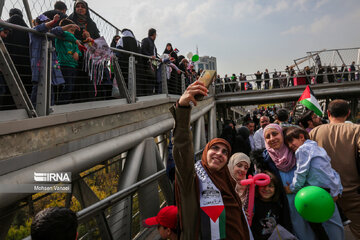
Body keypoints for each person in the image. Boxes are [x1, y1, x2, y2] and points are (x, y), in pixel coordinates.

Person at [170, 81, 250, 239]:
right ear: (205, 153)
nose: (219, 153)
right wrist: (183, 109)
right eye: (214, 148)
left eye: (225, 152)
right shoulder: (192, 180)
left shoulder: (228, 182)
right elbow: (182, 149)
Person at [310, 99, 360, 238]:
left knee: (329, 233)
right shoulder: (356, 130)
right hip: (354, 193)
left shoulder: (315, 132)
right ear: (348, 113)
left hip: (324, 195)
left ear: (328, 113)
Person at [284, 126, 344, 239]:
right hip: (331, 190)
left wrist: (292, 188)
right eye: (288, 145)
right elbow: (331, 171)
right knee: (335, 225)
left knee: (329, 226)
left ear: (301, 137)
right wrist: (338, 189)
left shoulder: (302, 150)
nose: (291, 146)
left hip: (321, 193)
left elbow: (301, 172)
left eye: (291, 141)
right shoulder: (318, 148)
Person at [263, 123, 317, 239]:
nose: (272, 138)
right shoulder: (265, 161)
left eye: (275, 133)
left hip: (309, 200)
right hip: (286, 207)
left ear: (282, 135)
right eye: (268, 136)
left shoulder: (298, 151)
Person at [29, 14, 65, 106]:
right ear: (37, 23)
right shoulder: (34, 31)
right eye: (44, 22)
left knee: (50, 86)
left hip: (49, 65)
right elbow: (41, 27)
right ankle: (33, 108)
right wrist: (53, 22)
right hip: (39, 64)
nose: (47, 25)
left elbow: (58, 31)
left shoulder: (48, 33)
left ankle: (50, 107)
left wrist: (69, 26)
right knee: (37, 86)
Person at [251, 170, 293, 240]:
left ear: (275, 189)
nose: (266, 189)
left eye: (270, 186)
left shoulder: (279, 205)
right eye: (263, 185)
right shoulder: (254, 204)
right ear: (257, 187)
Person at [55, 19, 84, 104]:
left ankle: (65, 102)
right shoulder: (61, 37)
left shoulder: (74, 41)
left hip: (73, 66)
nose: (73, 33)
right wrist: (76, 41)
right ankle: (61, 103)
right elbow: (63, 32)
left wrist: (77, 52)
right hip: (64, 65)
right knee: (67, 86)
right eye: (71, 30)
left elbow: (78, 50)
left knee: (70, 86)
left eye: (74, 31)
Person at [140, 28, 158, 95]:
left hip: (154, 64)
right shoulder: (145, 40)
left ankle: (150, 93)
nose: (156, 36)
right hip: (147, 64)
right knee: (148, 80)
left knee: (152, 79)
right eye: (156, 34)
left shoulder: (154, 44)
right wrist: (150, 56)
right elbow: (143, 50)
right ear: (154, 34)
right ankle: (147, 94)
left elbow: (155, 55)